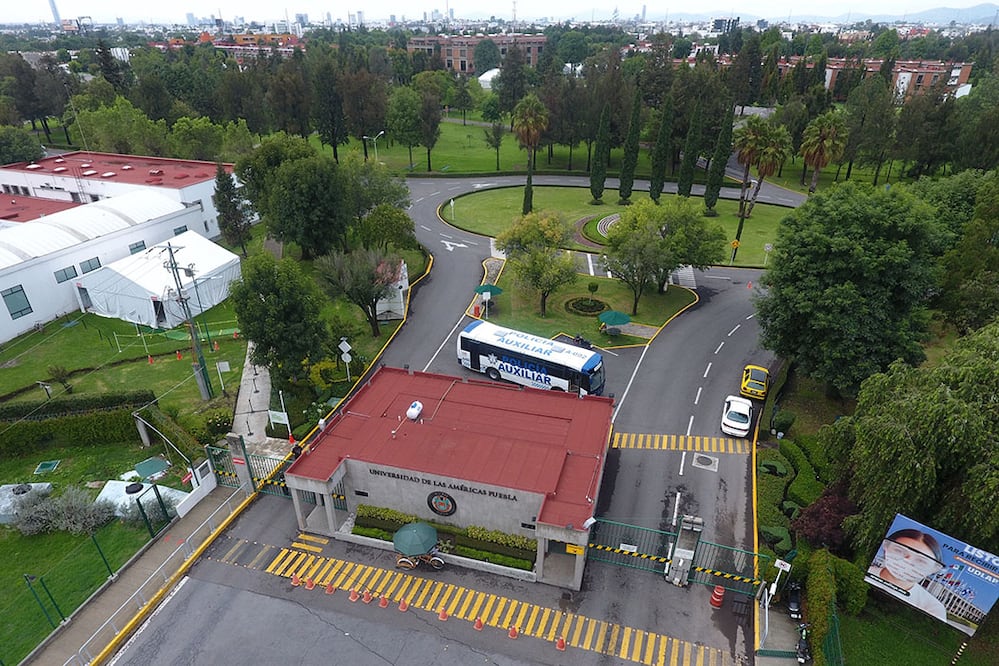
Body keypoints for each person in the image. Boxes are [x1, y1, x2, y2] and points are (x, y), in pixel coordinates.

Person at [865, 528, 947, 621]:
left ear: (933, 569)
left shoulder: (932, 607)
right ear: (886, 546)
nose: (907, 561)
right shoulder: (863, 572)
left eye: (921, 560)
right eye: (899, 551)